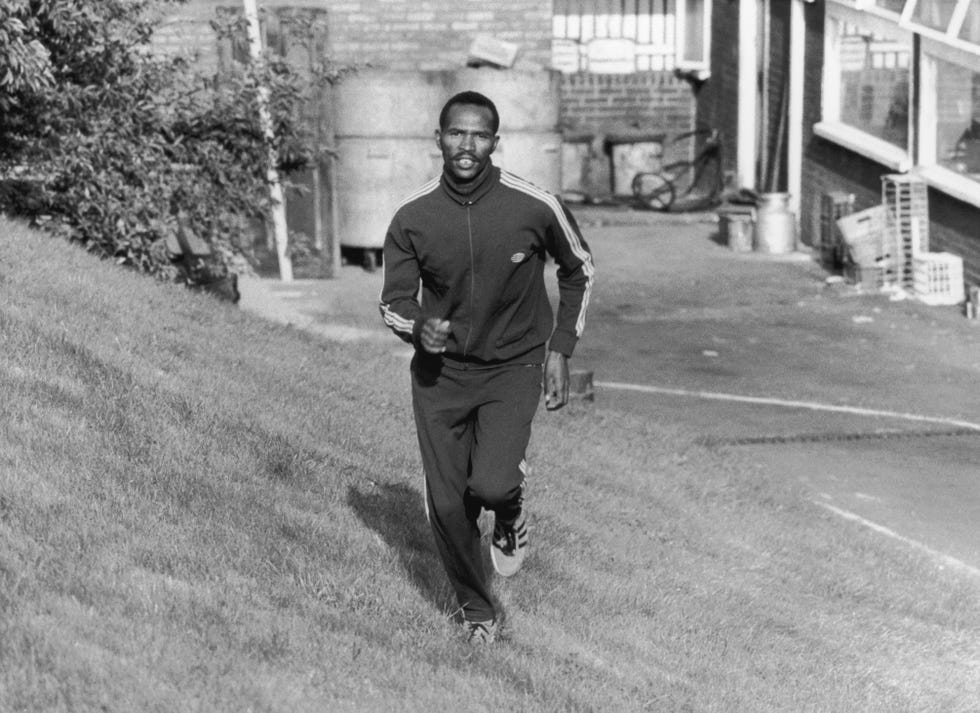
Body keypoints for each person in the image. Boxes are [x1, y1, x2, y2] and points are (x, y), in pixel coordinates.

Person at [379, 90, 595, 645]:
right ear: (439, 139)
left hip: (513, 366)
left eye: (478, 135)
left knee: (493, 485)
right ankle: (478, 613)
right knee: (449, 504)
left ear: (496, 143)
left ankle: (510, 511)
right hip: (441, 375)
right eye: (456, 133)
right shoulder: (412, 216)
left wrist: (561, 348)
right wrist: (418, 327)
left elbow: (579, 268)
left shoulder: (534, 206)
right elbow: (393, 301)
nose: (466, 145)